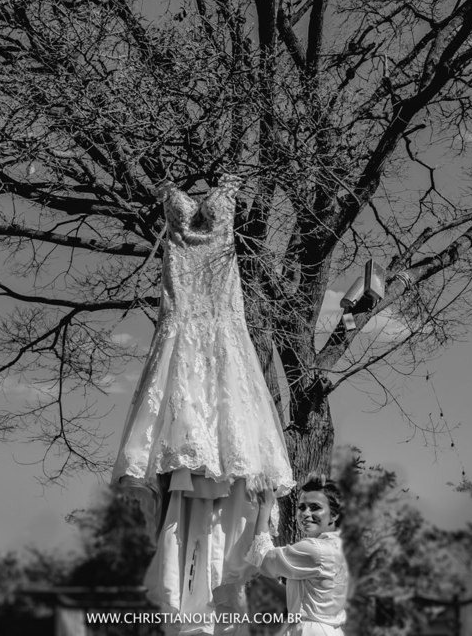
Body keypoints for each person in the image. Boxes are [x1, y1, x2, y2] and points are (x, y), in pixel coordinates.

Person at [113, 175, 294, 635]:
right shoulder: (180, 211)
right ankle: (193, 605)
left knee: (219, 452)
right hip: (184, 317)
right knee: (198, 452)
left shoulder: (226, 205)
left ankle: (211, 600)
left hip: (219, 316)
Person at [245, 476, 350, 636]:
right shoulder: (341, 548)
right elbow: (306, 596)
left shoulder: (315, 550)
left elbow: (264, 559)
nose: (306, 513)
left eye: (315, 507)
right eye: (302, 507)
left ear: (334, 515)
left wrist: (265, 508)